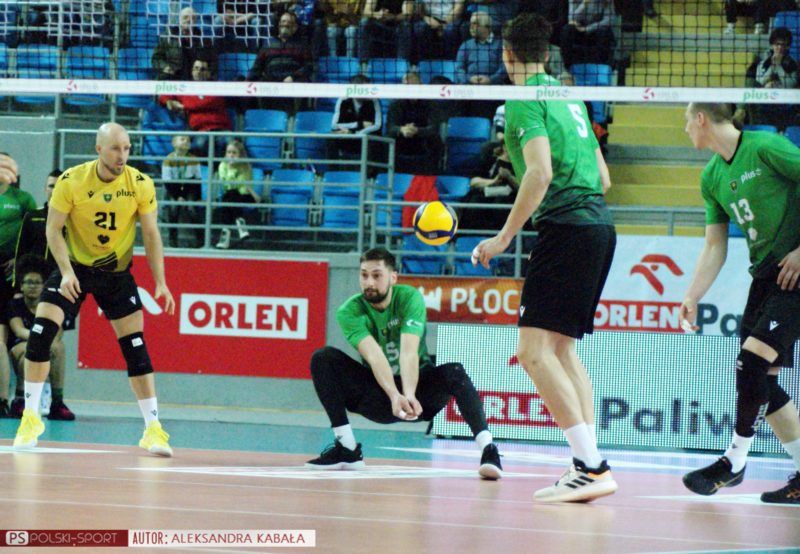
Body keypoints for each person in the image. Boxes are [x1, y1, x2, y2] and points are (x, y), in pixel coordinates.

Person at [471, 13, 617, 503]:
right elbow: (603, 178)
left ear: (507, 54)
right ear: (547, 52)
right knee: (561, 351)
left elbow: (539, 172)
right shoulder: (570, 96)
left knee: (534, 352)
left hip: (568, 229)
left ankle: (591, 467)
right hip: (599, 226)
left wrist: (503, 238)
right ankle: (588, 463)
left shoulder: (522, 99)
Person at [12, 122, 176, 457]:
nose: (122, 155)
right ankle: (30, 418)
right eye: (115, 148)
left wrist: (160, 281)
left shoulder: (140, 183)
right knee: (41, 334)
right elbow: (53, 230)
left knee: (135, 347)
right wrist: (66, 272)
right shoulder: (72, 180)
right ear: (99, 149)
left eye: (127, 148)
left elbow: (151, 234)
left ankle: (153, 429)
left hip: (115, 274)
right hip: (75, 269)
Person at [680, 103, 800, 505]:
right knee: (761, 380)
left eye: (686, 121)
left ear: (701, 119)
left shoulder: (766, 147)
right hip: (766, 276)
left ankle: (733, 462)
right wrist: (692, 295)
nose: (685, 130)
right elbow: (715, 245)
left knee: (751, 363)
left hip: (796, 270)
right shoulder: (711, 176)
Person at [306, 247, 503, 479]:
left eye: (377, 275)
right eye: (364, 275)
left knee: (454, 371)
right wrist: (394, 395)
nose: (369, 282)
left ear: (393, 277)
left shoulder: (409, 298)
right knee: (323, 358)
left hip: (420, 391)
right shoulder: (349, 310)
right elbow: (374, 356)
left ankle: (488, 450)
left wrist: (408, 394)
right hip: (379, 394)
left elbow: (409, 352)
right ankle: (347, 448)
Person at [9, 254, 74, 421]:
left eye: (37, 282)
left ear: (44, 286)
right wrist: (41, 339)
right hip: (19, 346)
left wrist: (44, 341)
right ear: (21, 286)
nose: (33, 286)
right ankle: (20, 399)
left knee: (59, 347)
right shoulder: (15, 305)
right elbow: (19, 331)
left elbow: (58, 332)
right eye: (29, 282)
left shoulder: (50, 306)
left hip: (45, 345)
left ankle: (57, 402)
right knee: (29, 352)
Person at [0, 152, 37, 418]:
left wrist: (19, 260)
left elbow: (35, 235)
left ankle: (7, 398)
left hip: (8, 275)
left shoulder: (22, 199)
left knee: (4, 340)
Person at [159, 57, 233, 158]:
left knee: (231, 143)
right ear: (192, 71)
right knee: (199, 145)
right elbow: (163, 95)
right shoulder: (185, 88)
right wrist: (168, 101)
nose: (198, 72)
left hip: (221, 129)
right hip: (200, 130)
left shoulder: (217, 86)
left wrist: (185, 106)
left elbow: (211, 102)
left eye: (203, 69)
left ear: (209, 73)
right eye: (196, 68)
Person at [14, 169, 61, 285]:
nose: (54, 190)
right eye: (51, 186)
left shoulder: (74, 220)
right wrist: (17, 285)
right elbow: (21, 252)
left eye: (59, 186)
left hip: (61, 280)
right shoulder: (32, 216)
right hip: (34, 281)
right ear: (45, 189)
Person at [215, 139, 259, 249]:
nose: (231, 155)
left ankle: (225, 238)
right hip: (230, 195)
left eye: (234, 153)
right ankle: (240, 224)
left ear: (240, 155)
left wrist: (233, 169)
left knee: (229, 199)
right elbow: (226, 185)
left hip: (246, 195)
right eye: (228, 152)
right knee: (230, 195)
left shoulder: (245, 166)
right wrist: (230, 168)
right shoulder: (222, 165)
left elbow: (243, 186)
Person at [161, 135, 202, 248]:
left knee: (192, 208)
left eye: (188, 140)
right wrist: (178, 196)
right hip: (173, 187)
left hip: (189, 187)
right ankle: (173, 238)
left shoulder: (194, 159)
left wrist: (198, 197)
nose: (186, 141)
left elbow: (197, 180)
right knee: (173, 207)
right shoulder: (168, 160)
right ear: (174, 143)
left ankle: (200, 238)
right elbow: (167, 182)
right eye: (182, 139)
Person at [329, 74, 382, 161]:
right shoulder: (343, 100)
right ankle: (333, 168)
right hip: (347, 135)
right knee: (331, 138)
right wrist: (359, 125)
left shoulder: (374, 100)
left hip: (366, 136)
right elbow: (334, 125)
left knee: (374, 143)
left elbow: (377, 126)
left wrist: (359, 133)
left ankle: (370, 170)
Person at [559, 0, 615, 69]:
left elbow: (609, 20)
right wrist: (584, 4)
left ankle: (600, 68)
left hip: (597, 30)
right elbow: (571, 19)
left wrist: (587, 29)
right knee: (567, 29)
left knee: (605, 32)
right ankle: (567, 67)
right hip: (579, 31)